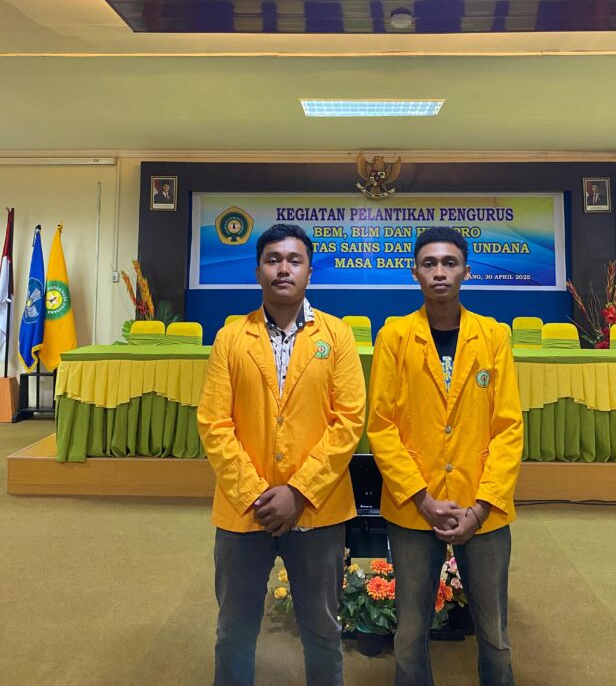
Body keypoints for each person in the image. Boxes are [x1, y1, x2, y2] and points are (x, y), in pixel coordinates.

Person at [197, 223, 366, 686]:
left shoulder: (338, 336)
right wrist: (256, 493)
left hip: (317, 509)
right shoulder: (231, 337)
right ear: (258, 272)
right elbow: (214, 423)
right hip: (243, 511)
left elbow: (349, 421)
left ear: (310, 271)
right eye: (273, 260)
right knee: (233, 632)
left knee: (323, 633)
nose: (283, 269)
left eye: (294, 260)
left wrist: (298, 491)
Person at [368, 226, 523, 686]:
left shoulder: (493, 336)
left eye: (449, 263)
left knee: (494, 633)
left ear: (466, 271)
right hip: (415, 508)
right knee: (410, 632)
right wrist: (422, 497)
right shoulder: (394, 336)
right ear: (414, 272)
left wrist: (481, 506)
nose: (440, 272)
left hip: (483, 508)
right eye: (430, 263)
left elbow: (508, 427)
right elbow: (381, 427)